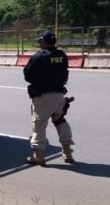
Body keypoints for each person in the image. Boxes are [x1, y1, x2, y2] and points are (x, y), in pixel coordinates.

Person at [23, 30, 75, 165]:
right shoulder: (62, 55)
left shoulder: (38, 57)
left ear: (44, 42)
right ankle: (67, 153)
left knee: (39, 125)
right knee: (60, 121)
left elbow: (27, 76)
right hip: (59, 95)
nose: (39, 44)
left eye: (40, 41)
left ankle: (38, 156)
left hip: (42, 97)